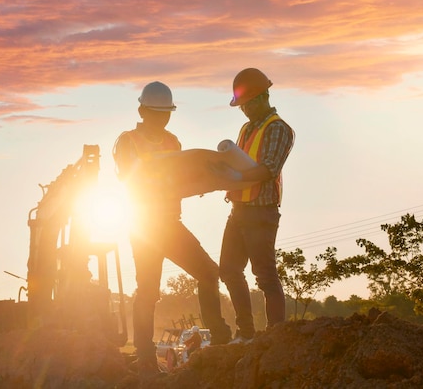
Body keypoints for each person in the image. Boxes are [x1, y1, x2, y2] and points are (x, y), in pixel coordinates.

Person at [113, 81, 232, 377]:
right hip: (144, 225)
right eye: (156, 113)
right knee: (149, 290)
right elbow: (133, 177)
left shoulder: (173, 141)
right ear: (142, 111)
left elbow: (178, 181)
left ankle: (219, 338)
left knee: (207, 272)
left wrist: (207, 180)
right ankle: (145, 357)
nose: (162, 119)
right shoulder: (127, 141)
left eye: (166, 114)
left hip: (169, 223)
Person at [211, 68, 295, 345]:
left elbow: (268, 169)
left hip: (261, 212)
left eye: (247, 104)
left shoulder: (279, 129)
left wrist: (233, 177)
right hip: (239, 210)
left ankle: (276, 339)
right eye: (241, 105)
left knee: (265, 276)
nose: (244, 110)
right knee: (229, 270)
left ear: (262, 97)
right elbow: (238, 163)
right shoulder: (247, 129)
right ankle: (246, 333)